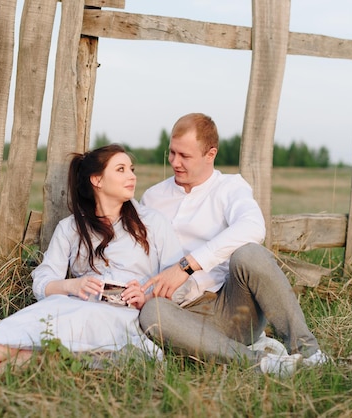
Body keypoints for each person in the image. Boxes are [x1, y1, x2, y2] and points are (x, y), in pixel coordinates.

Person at [0, 144, 183, 390]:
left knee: (52, 348)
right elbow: (44, 279)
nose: (132, 176)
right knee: (38, 325)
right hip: (77, 304)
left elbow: (177, 280)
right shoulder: (71, 227)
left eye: (132, 170)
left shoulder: (153, 223)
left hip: (125, 316)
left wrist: (146, 297)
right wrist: (73, 284)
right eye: (121, 169)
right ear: (97, 180)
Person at [138, 113, 328, 377]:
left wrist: (186, 266)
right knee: (152, 313)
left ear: (210, 154)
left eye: (185, 156)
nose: (175, 162)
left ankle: (309, 352)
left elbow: (253, 226)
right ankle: (260, 364)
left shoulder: (230, 187)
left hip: (231, 309)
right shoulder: (153, 197)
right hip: (181, 315)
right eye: (171, 153)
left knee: (249, 253)